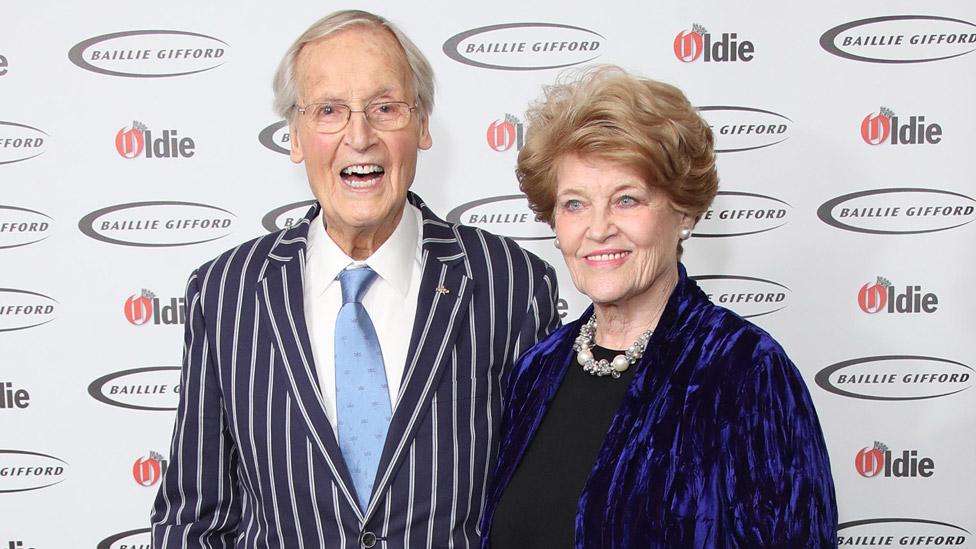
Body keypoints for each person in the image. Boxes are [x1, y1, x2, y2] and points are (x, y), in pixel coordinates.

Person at [150, 10, 560, 548]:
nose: (359, 136)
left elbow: (546, 506)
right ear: (295, 136)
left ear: (423, 124)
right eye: (329, 111)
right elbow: (192, 522)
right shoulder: (227, 293)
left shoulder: (512, 283)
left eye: (384, 108)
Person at [481, 66, 837, 548]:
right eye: (575, 204)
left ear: (684, 211)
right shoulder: (536, 371)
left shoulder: (745, 373)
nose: (599, 228)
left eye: (627, 200)